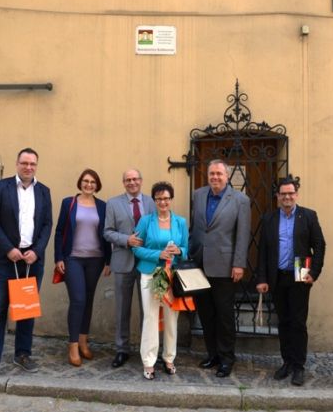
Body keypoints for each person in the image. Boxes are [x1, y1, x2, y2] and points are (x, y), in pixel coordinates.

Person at [0, 148, 53, 383]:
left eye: (33, 164)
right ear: (17, 164)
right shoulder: (1, 187)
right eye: (24, 163)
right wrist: (8, 249)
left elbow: (47, 224)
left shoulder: (43, 191)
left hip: (31, 262)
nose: (28, 167)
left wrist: (37, 251)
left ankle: (22, 355)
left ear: (36, 166)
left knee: (26, 310)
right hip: (5, 260)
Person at [255, 177, 326, 386]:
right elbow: (262, 251)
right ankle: (286, 362)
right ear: (278, 196)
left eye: (291, 193)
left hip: (300, 275)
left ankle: (298, 366)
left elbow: (319, 245)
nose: (287, 197)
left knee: (298, 323)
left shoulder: (308, 216)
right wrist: (262, 278)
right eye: (283, 193)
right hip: (277, 276)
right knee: (284, 322)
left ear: (296, 194)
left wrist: (314, 272)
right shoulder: (269, 218)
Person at [189, 159, 251, 378]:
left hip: (225, 266)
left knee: (224, 315)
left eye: (219, 174)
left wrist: (239, 263)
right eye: (212, 174)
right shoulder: (198, 195)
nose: (215, 177)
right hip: (199, 264)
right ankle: (213, 354)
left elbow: (243, 234)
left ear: (227, 176)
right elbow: (196, 227)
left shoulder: (240, 200)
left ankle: (226, 359)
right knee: (206, 313)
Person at [54, 169, 111, 366]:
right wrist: (58, 258)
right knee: (78, 300)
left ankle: (83, 341)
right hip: (73, 259)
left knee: (88, 300)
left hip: (95, 260)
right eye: (86, 181)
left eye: (93, 182)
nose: (89, 185)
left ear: (97, 185)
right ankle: (72, 345)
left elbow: (106, 234)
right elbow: (59, 231)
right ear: (80, 183)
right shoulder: (68, 203)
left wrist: (108, 261)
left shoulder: (102, 206)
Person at [133, 181, 188, 380]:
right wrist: (158, 254)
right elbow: (136, 248)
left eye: (166, 198)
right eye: (159, 199)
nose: (163, 202)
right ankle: (149, 361)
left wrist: (179, 250)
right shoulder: (146, 221)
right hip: (151, 273)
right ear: (154, 201)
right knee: (150, 317)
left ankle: (169, 357)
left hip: (171, 275)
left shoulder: (180, 222)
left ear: (171, 199)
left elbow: (186, 249)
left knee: (172, 318)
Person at [103, 169, 155, 368]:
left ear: (141, 180)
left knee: (148, 309)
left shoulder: (152, 202)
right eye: (128, 180)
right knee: (122, 309)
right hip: (123, 261)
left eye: (135, 179)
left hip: (147, 263)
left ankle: (147, 349)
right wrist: (127, 240)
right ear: (123, 182)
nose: (132, 182)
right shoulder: (113, 203)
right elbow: (107, 232)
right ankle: (122, 349)